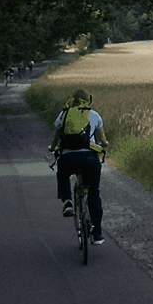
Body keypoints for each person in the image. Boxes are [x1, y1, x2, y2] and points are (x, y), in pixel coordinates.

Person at [49, 89, 109, 245]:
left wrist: (52, 147)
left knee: (62, 174)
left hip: (68, 159)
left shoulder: (63, 115)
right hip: (89, 159)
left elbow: (55, 140)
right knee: (94, 193)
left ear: (73, 100)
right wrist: (104, 144)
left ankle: (68, 201)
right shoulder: (94, 115)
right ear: (87, 101)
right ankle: (97, 234)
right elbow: (102, 139)